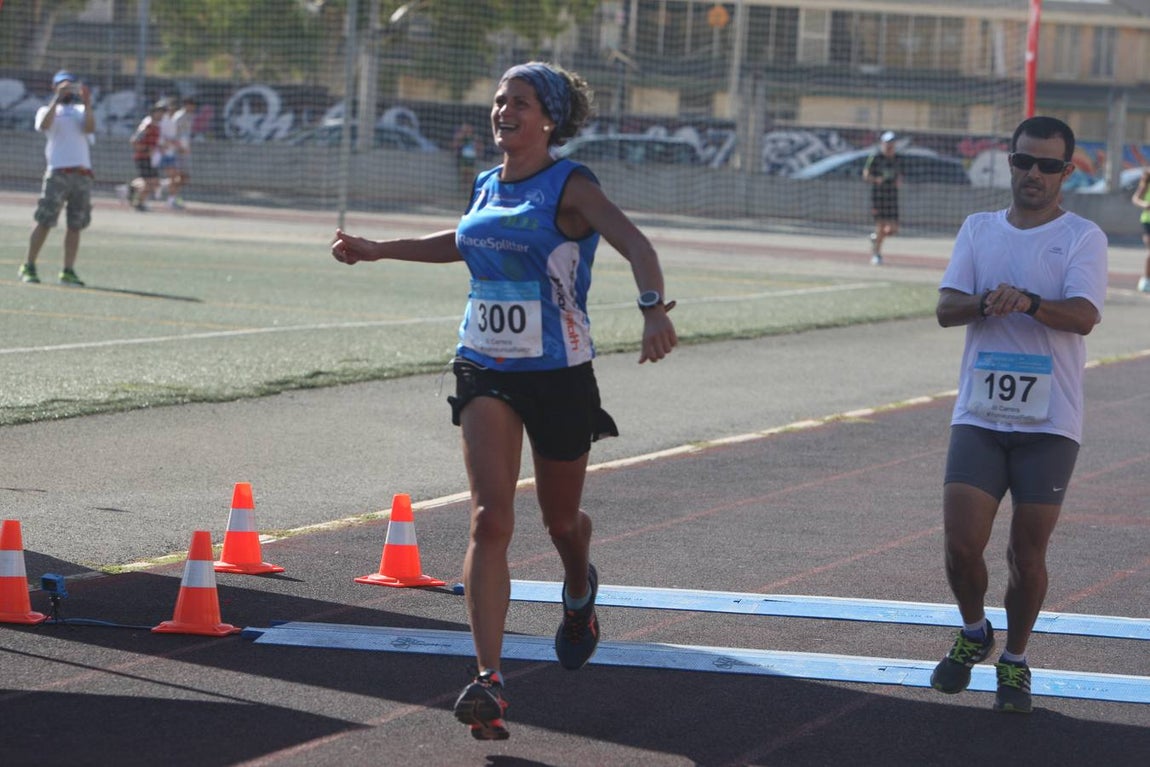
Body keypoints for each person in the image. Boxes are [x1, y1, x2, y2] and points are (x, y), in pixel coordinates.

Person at [330, 61, 678, 740]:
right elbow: (464, 242)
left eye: (519, 102)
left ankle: (579, 588)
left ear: (549, 118)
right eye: (497, 100)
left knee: (561, 521)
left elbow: (635, 243)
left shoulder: (571, 185)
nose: (503, 111)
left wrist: (651, 310)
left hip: (559, 373)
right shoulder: (486, 183)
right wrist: (379, 250)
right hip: (483, 364)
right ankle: (488, 678)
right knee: (490, 519)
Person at [931, 116, 1108, 714]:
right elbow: (946, 308)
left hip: (1050, 423)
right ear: (1010, 162)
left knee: (1026, 555)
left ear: (1067, 172)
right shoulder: (978, 229)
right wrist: (986, 301)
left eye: (1048, 165)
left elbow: (1084, 316)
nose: (1034, 173)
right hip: (980, 415)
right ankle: (974, 630)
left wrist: (1029, 302)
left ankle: (1015, 659)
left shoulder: (1083, 237)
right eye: (1024, 161)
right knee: (961, 545)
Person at [20, 70, 95, 286]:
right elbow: (44, 125)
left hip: (82, 174)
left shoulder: (81, 110)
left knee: (75, 225)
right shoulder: (46, 109)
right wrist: (57, 99)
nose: (68, 89)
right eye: (63, 86)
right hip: (58, 172)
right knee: (44, 220)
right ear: (54, 87)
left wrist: (87, 102)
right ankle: (29, 265)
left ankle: (67, 270)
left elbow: (90, 128)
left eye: (71, 86)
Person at [862, 131, 902, 265]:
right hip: (879, 196)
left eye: (892, 143)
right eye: (887, 143)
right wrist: (876, 180)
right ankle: (876, 254)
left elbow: (899, 174)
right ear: (882, 144)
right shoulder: (876, 157)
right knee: (880, 225)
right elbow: (866, 175)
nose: (890, 146)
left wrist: (899, 180)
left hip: (892, 196)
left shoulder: (897, 158)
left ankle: (875, 238)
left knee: (893, 229)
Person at [126, 100, 169, 212]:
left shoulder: (157, 125)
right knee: (149, 183)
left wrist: (159, 147)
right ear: (154, 112)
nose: (161, 115)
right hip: (142, 157)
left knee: (154, 182)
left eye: (163, 112)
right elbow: (134, 141)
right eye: (159, 112)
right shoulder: (147, 125)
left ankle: (133, 187)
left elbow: (153, 142)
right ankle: (139, 203)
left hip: (151, 158)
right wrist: (147, 149)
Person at [165, 97, 197, 208]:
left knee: (185, 177)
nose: (193, 108)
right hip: (176, 151)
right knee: (175, 176)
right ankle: (172, 199)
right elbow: (172, 135)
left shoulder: (190, 116)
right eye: (191, 105)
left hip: (185, 150)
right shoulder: (178, 117)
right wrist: (179, 147)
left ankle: (161, 186)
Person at [1131, 166, 1150, 293]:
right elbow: (1136, 198)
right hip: (1148, 220)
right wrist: (1145, 205)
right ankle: (1146, 280)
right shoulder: (1147, 182)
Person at [452, 122, 481, 195]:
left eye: (468, 128)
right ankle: (462, 190)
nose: (467, 130)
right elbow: (455, 146)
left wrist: (478, 152)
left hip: (471, 159)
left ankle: (470, 190)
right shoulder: (460, 137)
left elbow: (479, 147)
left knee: (470, 175)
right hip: (463, 159)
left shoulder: (475, 137)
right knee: (463, 174)